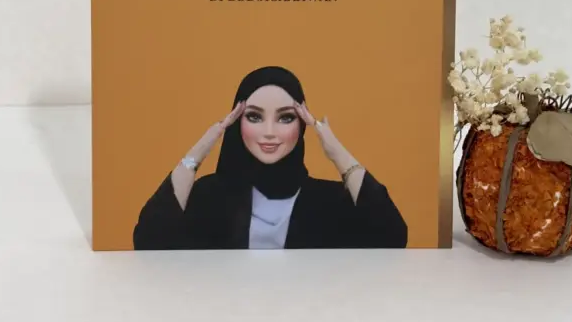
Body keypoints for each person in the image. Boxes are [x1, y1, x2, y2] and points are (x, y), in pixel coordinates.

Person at [133, 65, 408, 249]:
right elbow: (149, 241)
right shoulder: (209, 197)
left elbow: (393, 237)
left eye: (285, 118)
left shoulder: (328, 201)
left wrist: (335, 150)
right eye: (254, 116)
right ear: (237, 123)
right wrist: (205, 143)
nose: (269, 132)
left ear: (301, 126)